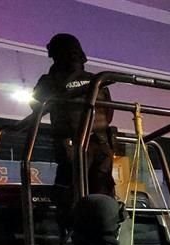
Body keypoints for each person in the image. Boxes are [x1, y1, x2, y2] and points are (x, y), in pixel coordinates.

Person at [33, 33, 115, 220]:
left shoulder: (50, 81)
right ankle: (106, 235)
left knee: (70, 196)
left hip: (71, 148)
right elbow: (109, 114)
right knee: (103, 195)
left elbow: (36, 107)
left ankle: (74, 238)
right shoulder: (98, 80)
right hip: (102, 145)